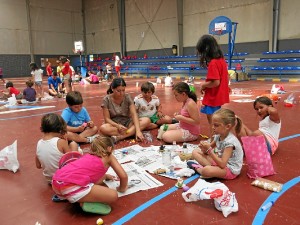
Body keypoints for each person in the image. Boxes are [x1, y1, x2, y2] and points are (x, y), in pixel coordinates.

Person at [52, 136, 128, 214]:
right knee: (113, 195)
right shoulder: (109, 157)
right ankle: (83, 201)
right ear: (109, 148)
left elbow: (90, 177)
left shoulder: (86, 156)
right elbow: (123, 176)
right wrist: (121, 189)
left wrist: (105, 176)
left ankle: (69, 195)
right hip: (70, 186)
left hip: (56, 183)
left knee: (89, 183)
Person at [189, 108, 243, 179]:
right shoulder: (218, 135)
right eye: (213, 125)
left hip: (230, 170)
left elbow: (222, 164)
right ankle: (212, 171)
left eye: (216, 125)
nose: (213, 127)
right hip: (221, 164)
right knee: (195, 152)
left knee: (207, 170)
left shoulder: (230, 142)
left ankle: (200, 170)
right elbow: (207, 151)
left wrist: (209, 150)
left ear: (228, 126)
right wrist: (203, 147)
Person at [99, 78, 150, 143]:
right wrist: (117, 126)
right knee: (103, 128)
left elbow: (134, 114)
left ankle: (120, 137)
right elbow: (107, 119)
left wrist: (138, 131)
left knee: (146, 120)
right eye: (118, 91)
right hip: (114, 125)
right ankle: (130, 133)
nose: (121, 93)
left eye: (123, 90)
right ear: (112, 88)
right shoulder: (106, 99)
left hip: (128, 123)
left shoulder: (128, 97)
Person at [196, 35, 230, 132]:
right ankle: (216, 140)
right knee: (217, 121)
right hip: (218, 96)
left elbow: (216, 82)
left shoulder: (213, 63)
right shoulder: (222, 61)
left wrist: (204, 85)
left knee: (213, 123)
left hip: (213, 97)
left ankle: (213, 141)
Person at [36, 113, 78, 183]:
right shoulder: (60, 142)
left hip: (49, 179)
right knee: (74, 145)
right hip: (63, 179)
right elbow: (71, 160)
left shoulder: (39, 142)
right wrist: (66, 141)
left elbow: (38, 166)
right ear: (60, 129)